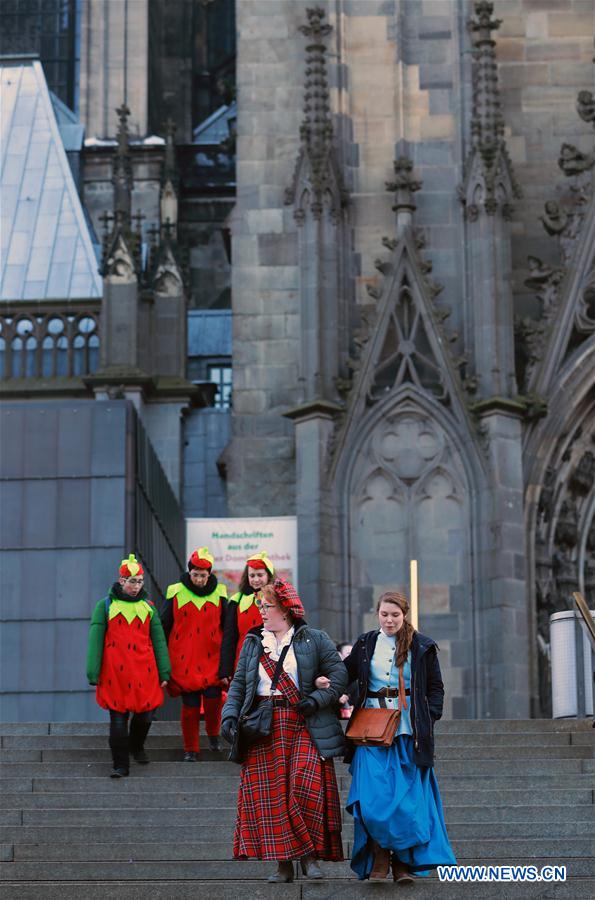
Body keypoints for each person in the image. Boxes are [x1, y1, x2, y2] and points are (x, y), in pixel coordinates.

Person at [221, 579, 347, 883]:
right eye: (260, 606)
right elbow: (239, 684)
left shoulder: (314, 639)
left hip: (304, 721)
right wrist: (229, 715)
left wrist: (317, 699)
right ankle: (283, 864)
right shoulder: (254, 642)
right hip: (263, 726)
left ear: (286, 610)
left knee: (305, 786)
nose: (262, 611)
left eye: (268, 606)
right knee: (275, 796)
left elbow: (339, 675)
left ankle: (309, 856)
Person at [342, 591, 456, 882]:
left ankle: (400, 863)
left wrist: (428, 717)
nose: (389, 620)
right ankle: (379, 853)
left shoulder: (422, 646)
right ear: (377, 614)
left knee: (406, 803)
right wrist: (327, 685)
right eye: (384, 614)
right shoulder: (366, 643)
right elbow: (344, 674)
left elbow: (436, 688)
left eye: (395, 615)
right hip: (371, 732)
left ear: (404, 615)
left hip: (407, 733)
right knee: (372, 800)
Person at [86, 554, 170, 778]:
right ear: (122, 581)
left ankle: (136, 746)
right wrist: (93, 671)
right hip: (114, 673)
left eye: (140, 581)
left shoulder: (149, 607)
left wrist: (164, 672)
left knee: (146, 716)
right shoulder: (104, 606)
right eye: (132, 581)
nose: (136, 586)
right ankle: (120, 765)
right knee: (118, 720)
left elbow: (159, 641)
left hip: (145, 672)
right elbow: (95, 640)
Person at [161, 547, 228, 759]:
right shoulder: (175, 592)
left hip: (212, 658)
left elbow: (227, 628)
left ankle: (214, 735)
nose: (199, 579)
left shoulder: (220, 593)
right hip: (184, 660)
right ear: (189, 572)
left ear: (209, 574)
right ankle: (191, 749)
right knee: (190, 707)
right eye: (195, 575)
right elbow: (164, 625)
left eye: (203, 575)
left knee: (213, 701)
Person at [219, 550, 275, 681]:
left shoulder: (278, 598)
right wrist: (225, 670)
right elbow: (229, 638)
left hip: (272, 662)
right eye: (252, 575)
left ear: (268, 576)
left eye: (260, 575)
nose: (256, 579)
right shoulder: (236, 601)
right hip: (243, 664)